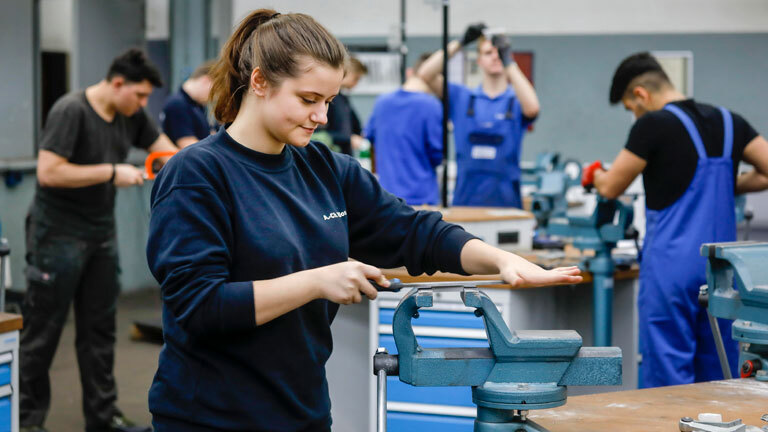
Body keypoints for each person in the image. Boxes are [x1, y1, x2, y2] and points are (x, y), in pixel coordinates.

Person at [145, 9, 582, 432]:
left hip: (303, 412)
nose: (322, 117)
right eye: (308, 99)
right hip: (210, 417)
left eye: (330, 100)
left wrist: (501, 261)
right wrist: (318, 282)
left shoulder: (327, 169)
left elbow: (414, 232)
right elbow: (199, 306)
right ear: (259, 81)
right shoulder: (197, 174)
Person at [581, 52, 768, 388]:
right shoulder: (732, 122)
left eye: (630, 108)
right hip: (722, 273)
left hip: (671, 271)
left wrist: (593, 175)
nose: (634, 116)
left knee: (667, 381)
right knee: (722, 376)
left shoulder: (652, 125)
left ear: (640, 94)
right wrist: (730, 182)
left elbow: (611, 187)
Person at [21, 48, 178, 432]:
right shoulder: (70, 110)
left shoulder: (131, 114)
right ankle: (26, 421)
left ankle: (102, 417)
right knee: (43, 330)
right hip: (56, 232)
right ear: (118, 82)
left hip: (99, 231)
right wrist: (110, 172)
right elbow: (49, 172)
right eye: (140, 95)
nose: (143, 104)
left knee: (100, 329)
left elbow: (167, 151)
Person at [418, 23, 540, 208]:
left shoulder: (516, 100)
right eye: (488, 53)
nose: (495, 57)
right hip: (466, 202)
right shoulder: (462, 97)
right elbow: (425, 74)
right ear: (479, 60)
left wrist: (509, 62)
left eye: (499, 52)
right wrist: (459, 43)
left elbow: (533, 108)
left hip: (507, 204)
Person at [365, 53, 442, 205]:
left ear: (410, 72)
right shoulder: (431, 105)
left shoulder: (382, 102)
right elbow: (437, 154)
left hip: (386, 196)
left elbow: (369, 137)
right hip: (422, 198)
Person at [160, 60, 217, 148]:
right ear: (206, 80)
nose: (214, 96)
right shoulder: (177, 104)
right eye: (215, 90)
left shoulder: (198, 105)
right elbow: (187, 145)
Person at [321, 56, 367, 155]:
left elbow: (356, 126)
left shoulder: (344, 99)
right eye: (356, 78)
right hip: (332, 155)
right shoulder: (330, 99)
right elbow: (321, 135)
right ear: (346, 73)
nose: (356, 83)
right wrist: (348, 139)